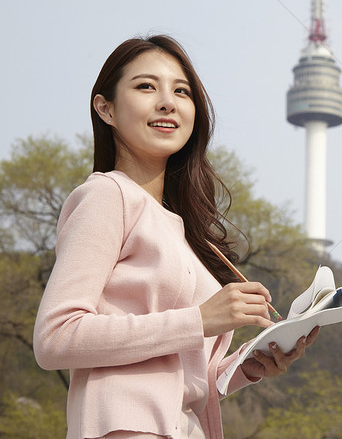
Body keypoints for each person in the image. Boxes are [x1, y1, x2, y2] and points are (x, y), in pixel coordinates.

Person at [33, 35, 319, 439]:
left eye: (181, 91)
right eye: (146, 86)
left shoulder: (181, 229)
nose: (167, 101)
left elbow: (176, 377)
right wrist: (200, 319)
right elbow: (55, 337)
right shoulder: (107, 195)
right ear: (106, 108)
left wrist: (246, 366)